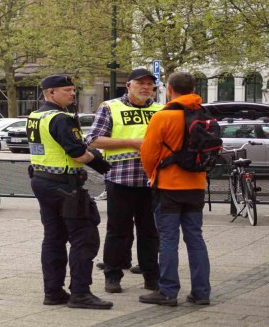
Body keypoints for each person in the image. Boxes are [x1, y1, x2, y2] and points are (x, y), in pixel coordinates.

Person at [28, 75, 113, 310]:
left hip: (42, 181)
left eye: (73, 90)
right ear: (51, 93)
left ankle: (53, 292)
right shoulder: (61, 118)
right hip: (65, 186)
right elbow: (77, 152)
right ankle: (80, 293)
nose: (72, 94)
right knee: (84, 238)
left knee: (54, 238)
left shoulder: (36, 116)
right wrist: (98, 162)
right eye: (67, 90)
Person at [86, 68, 163, 294]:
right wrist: (132, 143)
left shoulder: (160, 109)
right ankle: (113, 275)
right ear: (128, 85)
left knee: (150, 232)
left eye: (150, 84)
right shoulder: (110, 107)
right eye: (141, 83)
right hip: (120, 179)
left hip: (152, 180)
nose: (146, 87)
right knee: (118, 230)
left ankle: (151, 276)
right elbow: (93, 140)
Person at [139, 72, 211, 306]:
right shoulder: (204, 113)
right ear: (193, 88)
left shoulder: (163, 116)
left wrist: (153, 176)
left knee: (168, 239)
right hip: (196, 184)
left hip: (169, 185)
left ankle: (168, 291)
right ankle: (201, 292)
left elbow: (148, 153)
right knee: (195, 238)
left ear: (169, 89)